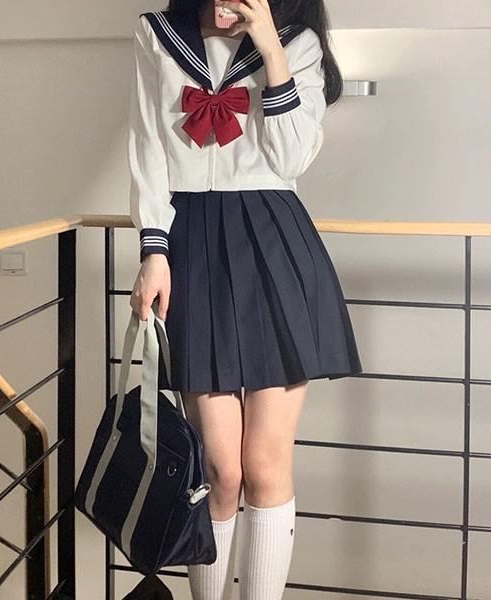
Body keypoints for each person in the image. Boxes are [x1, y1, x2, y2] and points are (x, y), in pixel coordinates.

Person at [127, 0, 363, 598]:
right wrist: (153, 249)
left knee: (263, 465)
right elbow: (148, 143)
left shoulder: (297, 43)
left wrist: (269, 45)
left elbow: (292, 157)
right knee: (219, 469)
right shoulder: (159, 35)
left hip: (273, 245)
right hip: (190, 246)